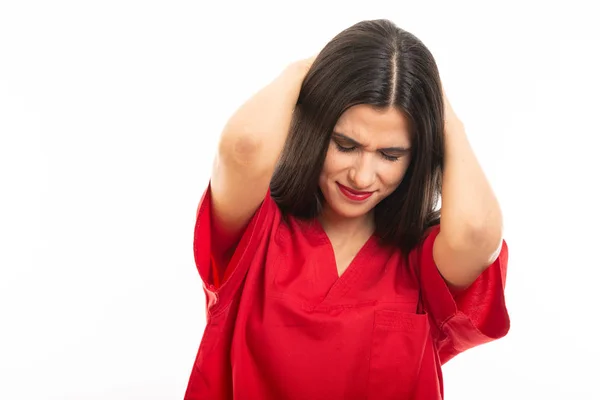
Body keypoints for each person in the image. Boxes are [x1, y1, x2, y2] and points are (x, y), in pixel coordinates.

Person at [184, 19, 509, 400]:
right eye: (345, 144)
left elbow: (475, 233)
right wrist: (308, 70)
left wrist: (445, 117)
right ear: (315, 130)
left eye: (390, 154)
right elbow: (245, 147)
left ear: (417, 158)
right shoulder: (255, 232)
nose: (361, 175)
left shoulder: (422, 263)